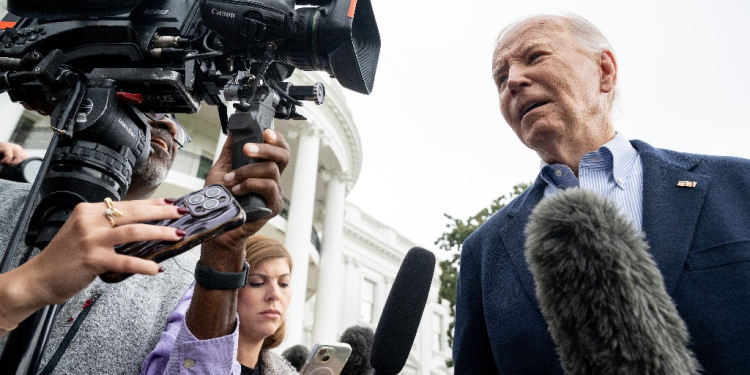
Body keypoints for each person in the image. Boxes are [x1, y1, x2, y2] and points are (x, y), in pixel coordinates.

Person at [452, 13, 750, 375]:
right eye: (501, 78)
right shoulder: (484, 251)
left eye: (535, 57)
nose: (513, 80)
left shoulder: (739, 184)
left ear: (604, 72)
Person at [0, 112, 290, 374]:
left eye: (176, 121)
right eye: (147, 106)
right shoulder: (3, 199)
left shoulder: (188, 278)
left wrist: (223, 247)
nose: (167, 125)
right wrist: (27, 288)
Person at [141, 235, 297, 375]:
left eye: (284, 284)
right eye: (258, 283)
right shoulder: (175, 354)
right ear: (229, 288)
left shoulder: (285, 371)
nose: (275, 294)